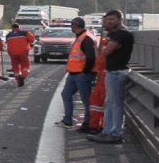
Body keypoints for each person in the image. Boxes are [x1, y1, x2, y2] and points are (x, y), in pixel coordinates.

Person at [88, 10, 134, 144]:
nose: (109, 22)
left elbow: (106, 51)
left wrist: (106, 48)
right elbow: (106, 50)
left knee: (115, 104)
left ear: (120, 19)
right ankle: (107, 131)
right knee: (109, 103)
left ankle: (116, 133)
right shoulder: (115, 34)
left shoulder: (121, 34)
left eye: (112, 19)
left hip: (118, 72)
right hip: (112, 71)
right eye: (107, 20)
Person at [57, 17, 98, 130]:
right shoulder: (81, 37)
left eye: (71, 25)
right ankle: (67, 120)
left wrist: (86, 71)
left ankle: (88, 122)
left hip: (82, 73)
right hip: (74, 73)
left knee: (86, 99)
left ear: (75, 25)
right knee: (66, 94)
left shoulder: (86, 38)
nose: (71, 27)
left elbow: (91, 57)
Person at [5, 23, 36, 87]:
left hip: (13, 54)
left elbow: (7, 43)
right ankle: (23, 76)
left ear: (12, 28)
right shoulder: (25, 33)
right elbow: (32, 40)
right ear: (19, 27)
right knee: (25, 66)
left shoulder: (8, 35)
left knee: (15, 68)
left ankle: (18, 80)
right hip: (23, 53)